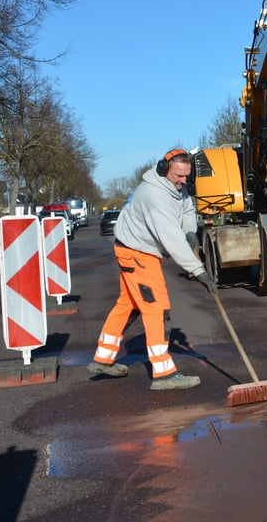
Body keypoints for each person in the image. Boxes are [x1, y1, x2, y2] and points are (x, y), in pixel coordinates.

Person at [87, 148, 217, 391]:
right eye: (178, 176)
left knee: (128, 305)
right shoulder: (154, 196)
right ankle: (163, 373)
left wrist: (190, 230)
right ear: (163, 169)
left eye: (186, 176)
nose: (183, 181)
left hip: (135, 251)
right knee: (156, 307)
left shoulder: (178, 187)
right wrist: (197, 270)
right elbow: (171, 239)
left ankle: (102, 359)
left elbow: (188, 207)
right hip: (137, 254)